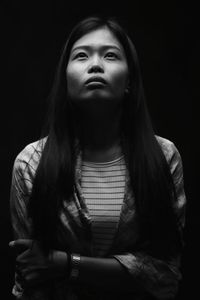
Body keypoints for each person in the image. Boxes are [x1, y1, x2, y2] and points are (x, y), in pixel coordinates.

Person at [9, 15, 186, 300]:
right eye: (81, 56)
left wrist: (68, 265)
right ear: (66, 80)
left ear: (129, 81)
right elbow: (31, 274)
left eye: (110, 55)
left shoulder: (164, 157)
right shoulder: (31, 162)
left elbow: (165, 276)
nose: (95, 65)